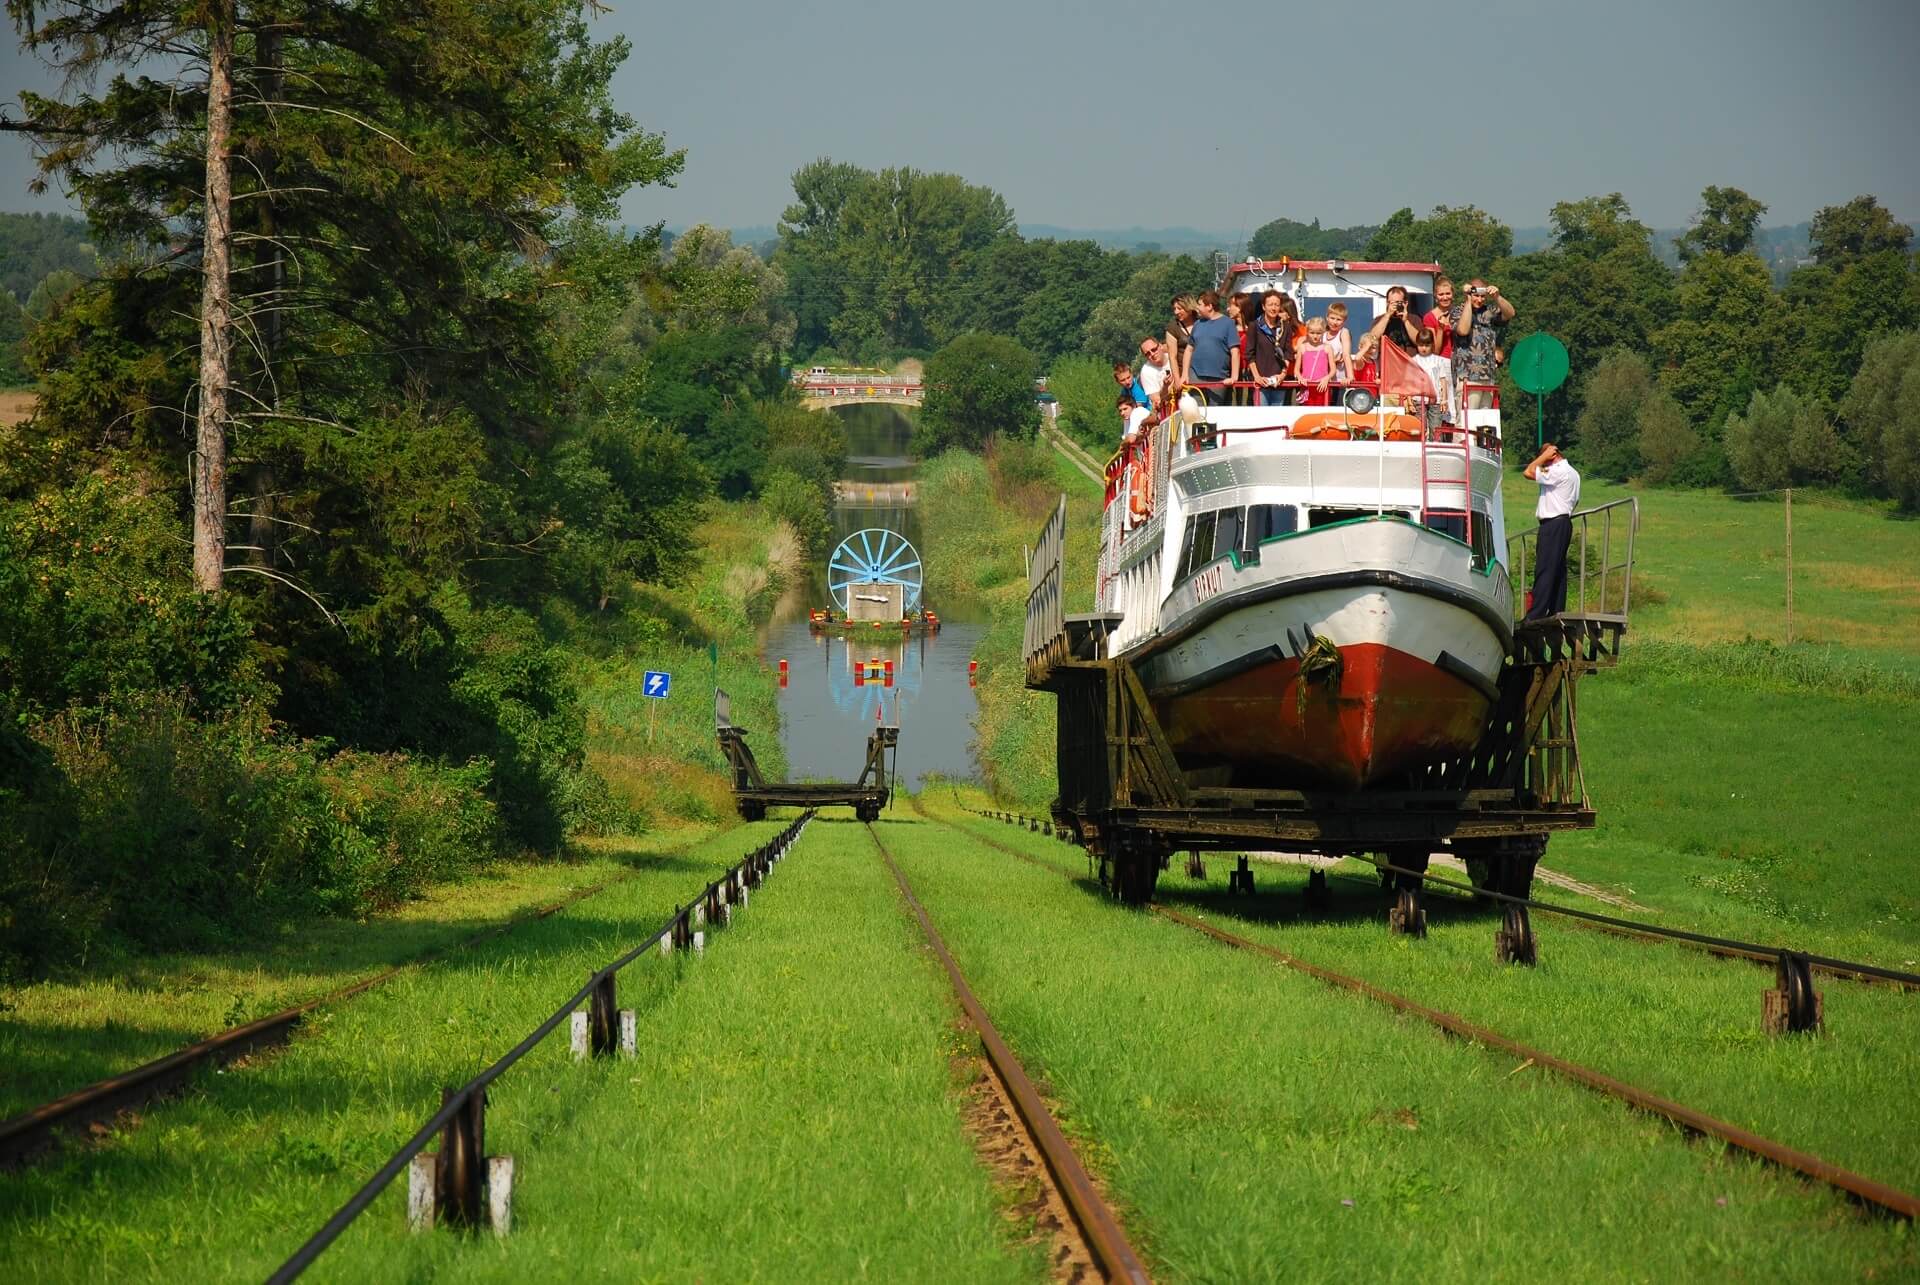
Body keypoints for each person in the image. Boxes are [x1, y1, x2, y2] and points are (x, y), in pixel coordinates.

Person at [1523, 442, 1580, 620]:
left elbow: (1528, 472)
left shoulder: (1557, 471)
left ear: (1552, 456)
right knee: (1557, 569)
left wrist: (1542, 457)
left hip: (1552, 524)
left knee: (1545, 568)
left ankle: (1536, 613)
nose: (1544, 465)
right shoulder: (1574, 473)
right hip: (1564, 522)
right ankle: (1557, 609)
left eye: (1546, 461)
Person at [1452, 278, 1514, 409]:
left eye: (1482, 296)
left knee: (1486, 423)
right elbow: (1462, 330)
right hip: (1468, 376)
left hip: (1488, 377)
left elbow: (1510, 313)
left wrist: (1497, 297)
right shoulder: (1458, 311)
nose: (1479, 300)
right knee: (1466, 422)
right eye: (1476, 296)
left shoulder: (1489, 311)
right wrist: (1468, 300)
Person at [1185, 290, 1240, 398]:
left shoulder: (1228, 323)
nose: (1197, 308)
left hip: (1219, 377)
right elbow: (1189, 349)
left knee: (1216, 411)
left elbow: (1235, 352)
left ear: (1209, 306)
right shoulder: (1197, 324)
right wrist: (1184, 374)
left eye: (1200, 305)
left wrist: (1234, 377)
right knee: (1197, 411)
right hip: (1196, 375)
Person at [1249, 290, 1293, 407]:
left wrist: (1283, 374)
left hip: (1278, 381)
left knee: (1278, 418)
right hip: (1261, 380)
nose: (1273, 308)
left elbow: (1288, 353)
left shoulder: (1286, 327)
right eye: (1270, 305)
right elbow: (1249, 354)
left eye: (1277, 305)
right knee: (1262, 417)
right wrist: (1257, 377)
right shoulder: (1255, 326)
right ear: (1264, 307)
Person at [1365, 285, 1424, 358]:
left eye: (1399, 302)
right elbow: (1372, 338)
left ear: (1406, 303)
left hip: (1409, 365)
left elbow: (1421, 342)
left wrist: (1405, 321)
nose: (1395, 306)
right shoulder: (1380, 319)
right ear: (1387, 303)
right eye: (1392, 303)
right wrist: (1387, 315)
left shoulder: (1415, 319)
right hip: (1388, 365)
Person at [1412, 328, 1453, 432]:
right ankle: (1420, 446)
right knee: (1419, 427)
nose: (1424, 348)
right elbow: (1410, 381)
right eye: (1421, 345)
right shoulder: (1414, 360)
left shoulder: (1438, 360)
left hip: (1436, 399)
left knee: (1435, 428)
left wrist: (1444, 399)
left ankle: (1434, 445)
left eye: (1427, 345)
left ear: (1432, 345)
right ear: (1417, 344)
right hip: (1418, 399)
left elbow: (1443, 380)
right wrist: (1409, 399)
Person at [1294, 317, 1334, 406]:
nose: (1315, 336)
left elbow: (1333, 370)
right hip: (1307, 387)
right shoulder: (1302, 347)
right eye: (1312, 333)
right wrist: (1300, 378)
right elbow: (1296, 369)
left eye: (1318, 333)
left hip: (1322, 387)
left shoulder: (1327, 347)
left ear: (1323, 332)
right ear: (1307, 332)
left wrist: (1326, 378)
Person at [1165, 296, 1197, 390]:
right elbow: (1172, 357)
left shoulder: (1201, 322)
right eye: (1174, 309)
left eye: (1179, 308)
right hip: (1183, 373)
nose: (1176, 312)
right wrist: (1177, 379)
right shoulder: (1173, 327)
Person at [1422, 278, 1457, 360]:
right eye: (1441, 294)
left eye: (1448, 293)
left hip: (1460, 362)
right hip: (1441, 362)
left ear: (1453, 294)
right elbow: (1435, 351)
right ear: (1435, 296)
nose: (1445, 298)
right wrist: (1440, 329)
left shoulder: (1460, 313)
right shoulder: (1429, 318)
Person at [1323, 301, 1355, 385]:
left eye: (1338, 319)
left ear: (1344, 321)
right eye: (1332, 318)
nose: (1334, 322)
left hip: (1339, 379)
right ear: (1327, 317)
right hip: (1323, 379)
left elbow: (1346, 355)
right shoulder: (1322, 333)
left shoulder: (1343, 332)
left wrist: (1350, 376)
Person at [1138, 337, 1170, 404]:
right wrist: (1165, 387)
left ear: (1160, 346)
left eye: (1154, 349)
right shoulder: (1146, 372)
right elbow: (1156, 401)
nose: (1152, 354)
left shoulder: (1173, 357)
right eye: (1147, 354)